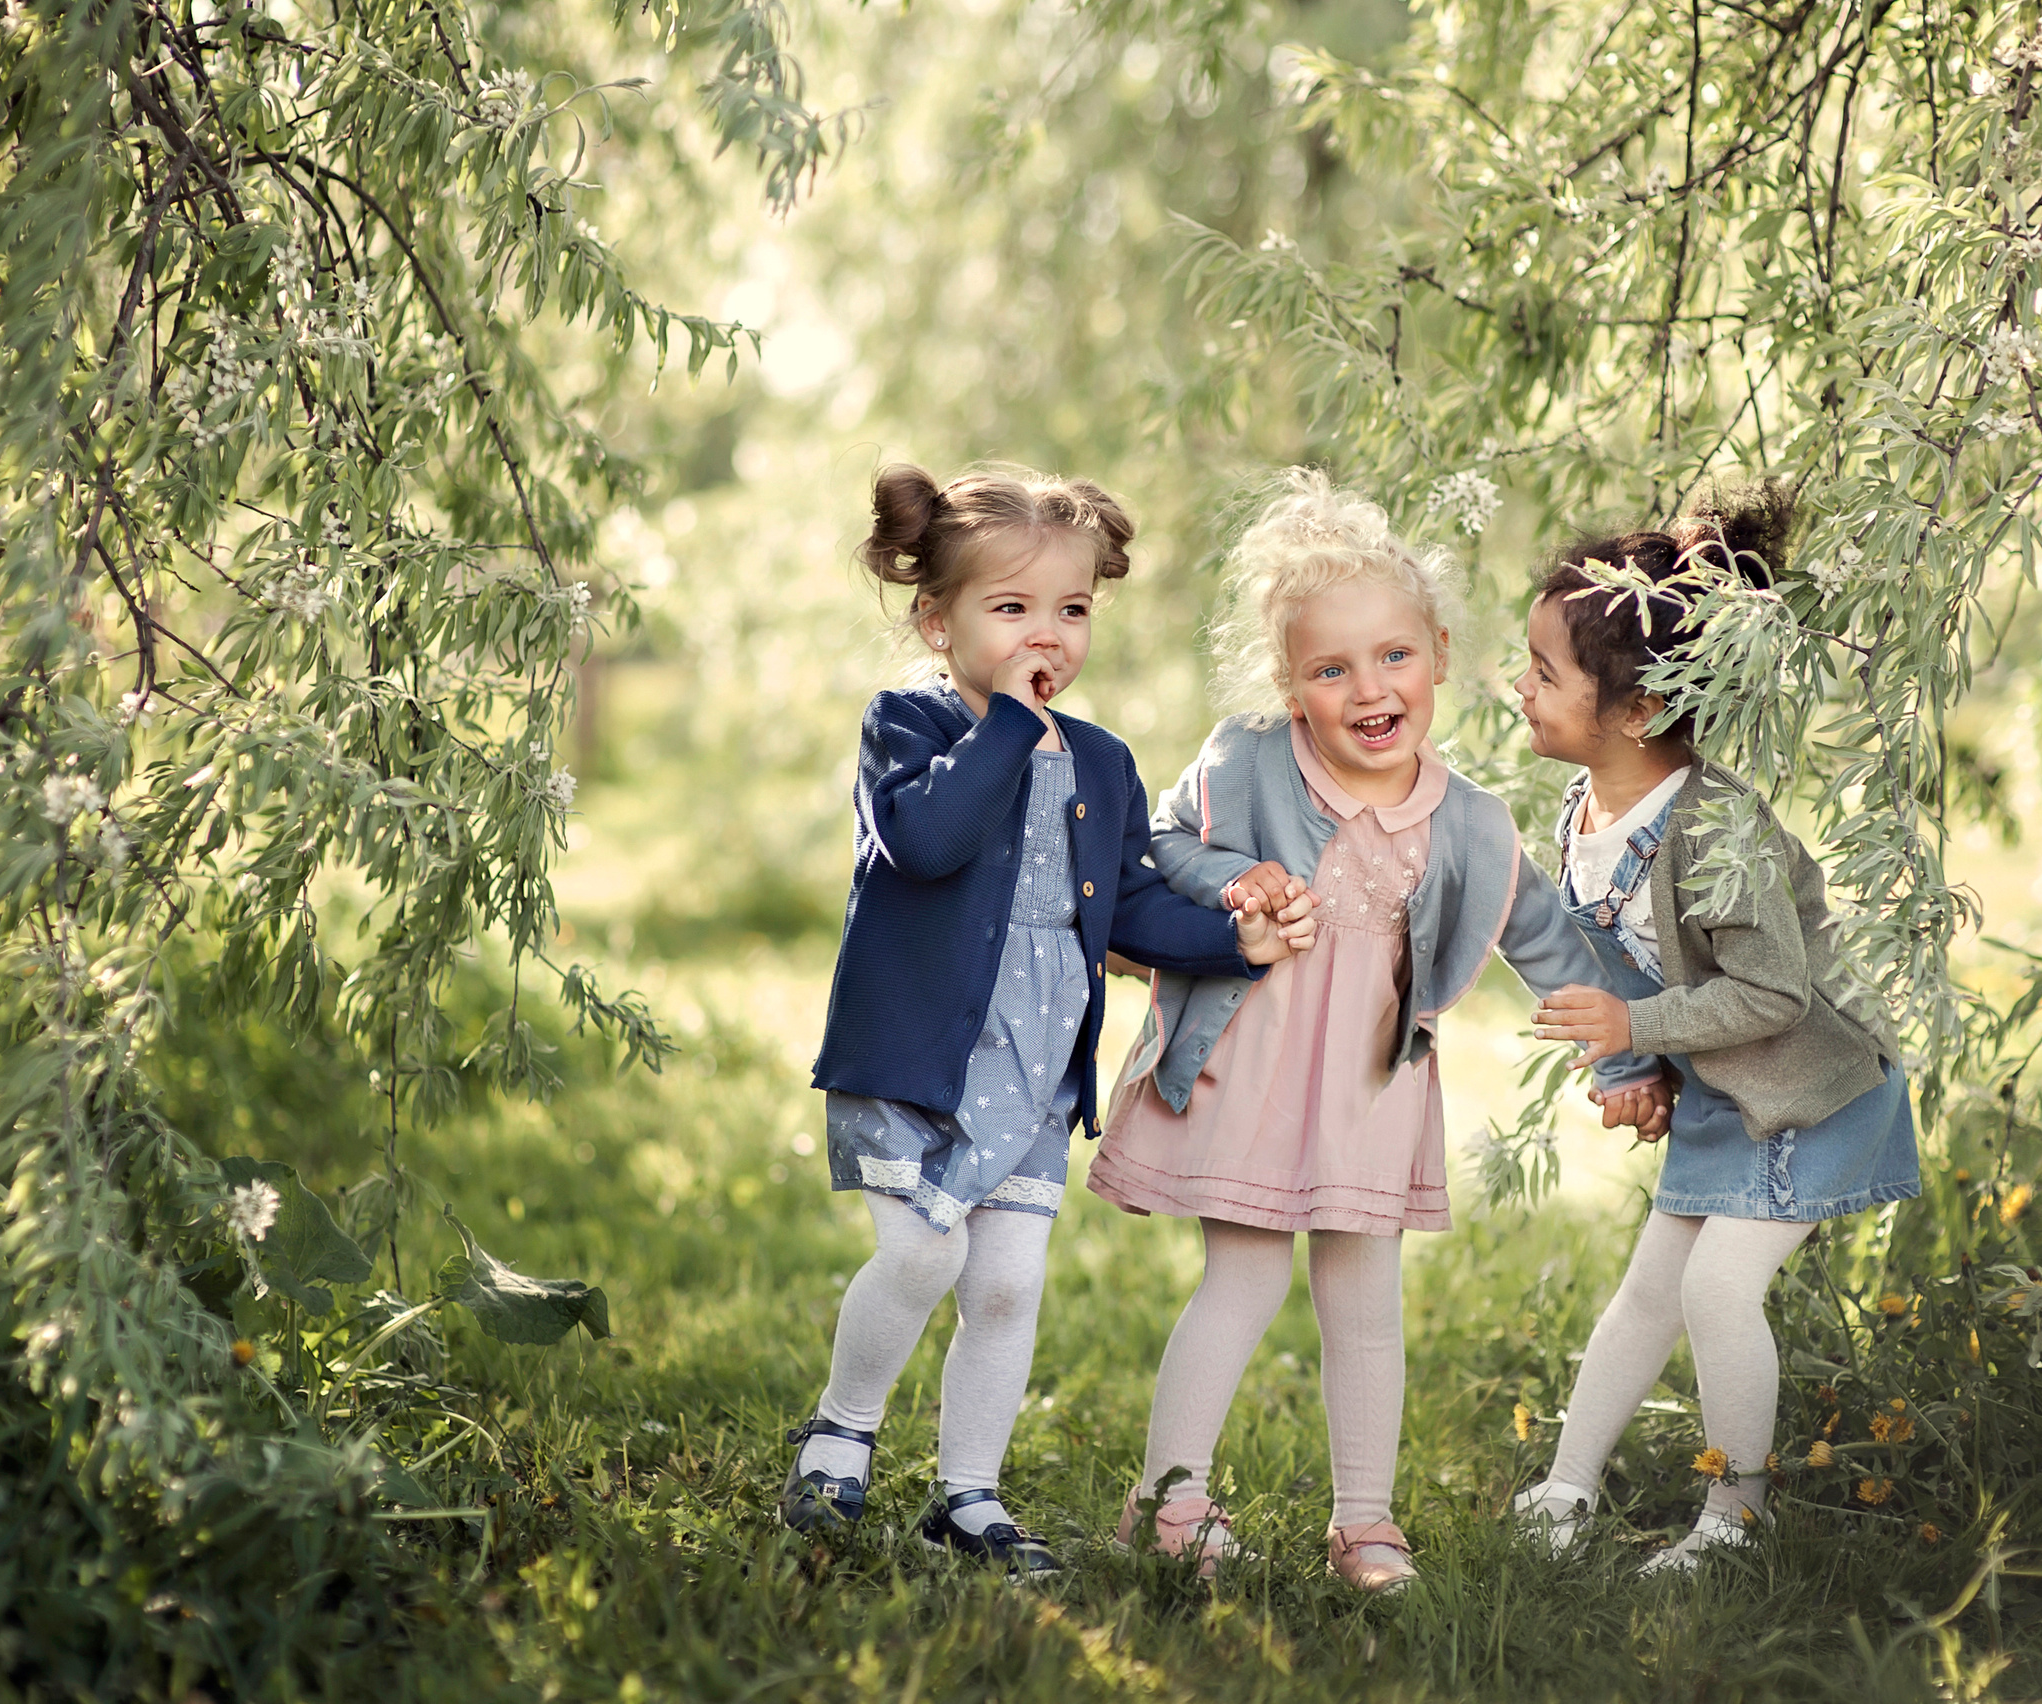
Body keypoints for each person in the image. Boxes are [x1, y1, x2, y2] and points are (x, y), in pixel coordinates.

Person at [1088, 469, 1665, 1591]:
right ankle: (1168, 1506)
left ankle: (1365, 1522)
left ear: (1440, 653)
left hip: (1366, 1091)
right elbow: (1157, 848)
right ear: (1290, 686)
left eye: (1393, 656)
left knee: (1364, 1304)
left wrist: (1634, 1055)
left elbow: (1553, 945)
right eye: (1331, 668)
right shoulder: (1248, 758)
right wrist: (1229, 883)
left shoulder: (1469, 823)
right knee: (1242, 1281)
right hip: (1249, 1073)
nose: (1368, 687)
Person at [783, 463, 1317, 1576]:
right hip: (918, 1057)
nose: (1049, 634)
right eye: (1012, 608)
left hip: (1031, 1069)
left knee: (1007, 1281)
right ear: (937, 620)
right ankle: (842, 1426)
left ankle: (967, 1491)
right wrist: (1003, 730)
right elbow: (922, 845)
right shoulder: (909, 727)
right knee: (923, 1258)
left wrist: (1235, 941)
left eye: (1070, 609)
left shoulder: (1104, 762)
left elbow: (1125, 904)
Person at [1511, 484, 1920, 1573]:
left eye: (1546, 674)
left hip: (1810, 1089)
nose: (1521, 688)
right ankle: (1563, 1488)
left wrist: (1636, 1020)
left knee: (1712, 1288)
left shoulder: (1716, 826)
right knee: (1650, 1290)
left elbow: (1774, 994)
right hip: (1723, 1092)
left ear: (1635, 712)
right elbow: (1612, 961)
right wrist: (1637, 1066)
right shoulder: (1586, 813)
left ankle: (1735, 1521)